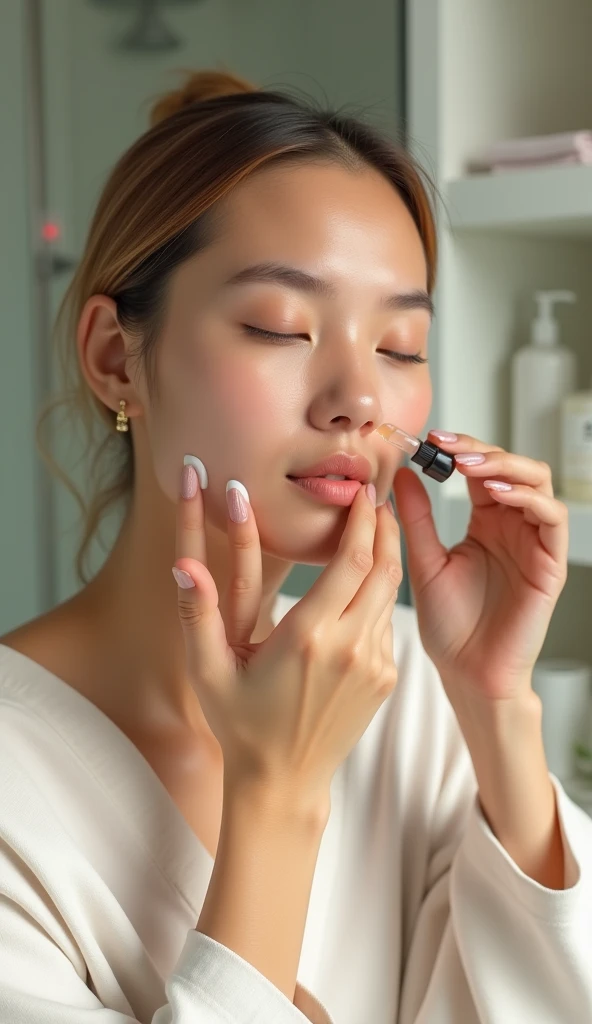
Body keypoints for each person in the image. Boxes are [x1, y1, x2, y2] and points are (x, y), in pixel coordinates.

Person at [0, 68, 590, 1024]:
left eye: (401, 346)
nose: (359, 396)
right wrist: (275, 797)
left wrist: (494, 706)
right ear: (116, 358)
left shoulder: (410, 690)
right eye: (279, 327)